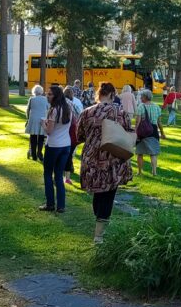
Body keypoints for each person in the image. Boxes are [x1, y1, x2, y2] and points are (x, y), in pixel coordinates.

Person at [78, 81, 133, 244]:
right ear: (112, 95)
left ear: (99, 94)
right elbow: (128, 133)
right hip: (112, 160)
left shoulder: (87, 112)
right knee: (108, 194)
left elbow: (79, 135)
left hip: (91, 159)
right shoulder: (120, 113)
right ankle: (99, 234)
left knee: (98, 193)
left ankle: (99, 224)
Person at [40, 85, 73, 213]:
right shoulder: (68, 108)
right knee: (59, 176)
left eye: (50, 94)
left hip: (54, 145)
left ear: (56, 96)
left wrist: (43, 124)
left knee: (48, 174)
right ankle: (61, 206)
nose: (47, 96)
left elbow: (49, 131)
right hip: (66, 145)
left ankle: (50, 204)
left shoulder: (54, 110)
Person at [134, 89, 164, 177]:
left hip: (142, 132)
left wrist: (135, 132)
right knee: (153, 153)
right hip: (154, 131)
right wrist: (162, 132)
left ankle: (139, 172)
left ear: (145, 97)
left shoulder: (141, 107)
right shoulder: (157, 107)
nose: (140, 98)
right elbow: (159, 122)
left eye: (141, 96)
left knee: (140, 153)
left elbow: (137, 122)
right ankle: (154, 172)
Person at [63, 87, 84, 186]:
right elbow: (81, 115)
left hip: (63, 132)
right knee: (69, 154)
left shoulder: (60, 104)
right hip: (72, 133)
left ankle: (60, 174)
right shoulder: (73, 104)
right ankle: (67, 177)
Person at [25, 84, 49, 162]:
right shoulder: (45, 99)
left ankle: (34, 155)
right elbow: (48, 109)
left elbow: (28, 110)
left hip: (33, 119)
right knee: (41, 138)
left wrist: (28, 118)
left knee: (33, 137)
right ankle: (39, 153)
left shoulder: (32, 99)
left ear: (34, 91)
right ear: (41, 91)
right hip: (42, 119)